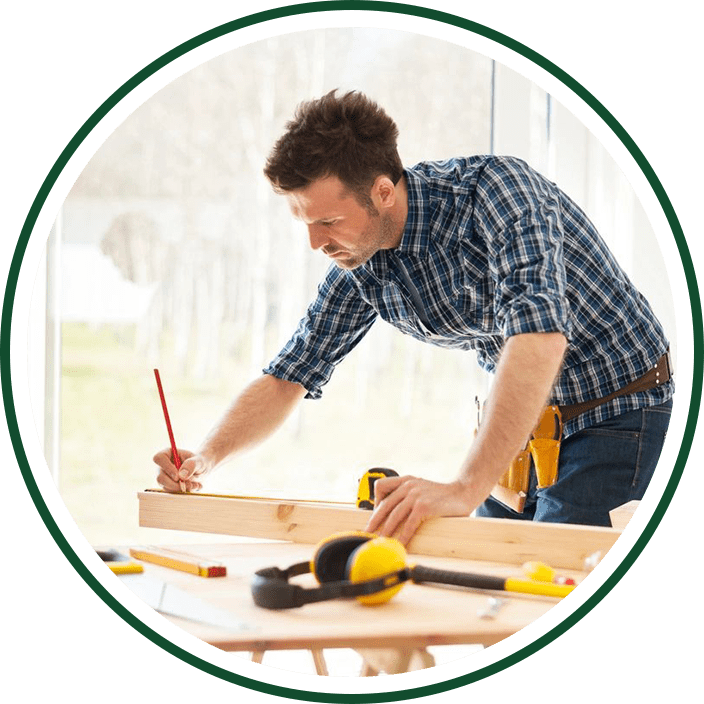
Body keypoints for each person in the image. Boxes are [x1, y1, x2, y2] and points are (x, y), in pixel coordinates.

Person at [153, 90, 674, 543]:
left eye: (328, 221)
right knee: (482, 588)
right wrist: (205, 457)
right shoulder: (362, 260)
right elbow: (290, 373)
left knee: (547, 591)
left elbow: (539, 334)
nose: (315, 243)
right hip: (530, 432)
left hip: (619, 413)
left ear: (383, 191)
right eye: (305, 223)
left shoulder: (496, 193)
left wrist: (464, 487)